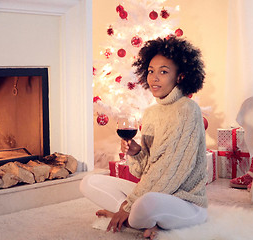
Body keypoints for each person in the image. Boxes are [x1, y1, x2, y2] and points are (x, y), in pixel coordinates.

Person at [80, 36, 207, 239]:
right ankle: (139, 220)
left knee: (145, 204)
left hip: (186, 202)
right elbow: (142, 171)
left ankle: (131, 218)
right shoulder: (151, 113)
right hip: (154, 191)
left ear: (180, 77)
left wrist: (129, 206)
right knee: (89, 182)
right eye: (150, 71)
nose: (154, 77)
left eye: (163, 72)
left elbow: (172, 172)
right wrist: (137, 152)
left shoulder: (188, 110)